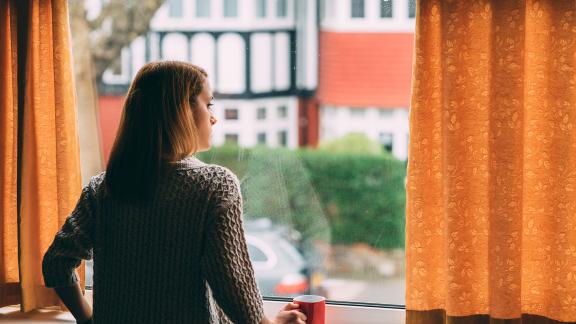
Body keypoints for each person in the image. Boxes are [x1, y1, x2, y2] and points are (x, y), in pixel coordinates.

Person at [42, 61, 308, 324]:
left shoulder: (103, 189)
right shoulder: (214, 185)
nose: (213, 117)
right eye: (208, 104)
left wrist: (88, 319)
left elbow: (56, 261)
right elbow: (233, 284)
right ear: (181, 111)